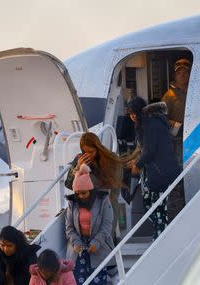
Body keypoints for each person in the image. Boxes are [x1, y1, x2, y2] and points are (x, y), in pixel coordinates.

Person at [128, 97, 180, 239]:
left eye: (134, 112)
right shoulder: (150, 123)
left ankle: (161, 237)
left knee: (156, 207)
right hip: (156, 172)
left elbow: (150, 151)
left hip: (159, 172)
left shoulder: (150, 124)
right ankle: (160, 235)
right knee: (155, 207)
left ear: (141, 111)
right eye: (130, 113)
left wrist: (137, 165)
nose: (132, 116)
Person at [65, 164, 114, 285]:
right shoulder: (72, 204)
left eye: (83, 193)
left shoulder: (103, 201)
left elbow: (107, 225)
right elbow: (69, 228)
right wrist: (76, 243)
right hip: (78, 251)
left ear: (91, 191)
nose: (80, 197)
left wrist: (97, 243)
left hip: (97, 249)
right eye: (77, 193)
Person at [65, 132, 124, 237]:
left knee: (106, 237)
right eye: (85, 152)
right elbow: (69, 184)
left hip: (108, 203)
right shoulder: (80, 159)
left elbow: (111, 185)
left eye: (91, 151)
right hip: (88, 207)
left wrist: (92, 169)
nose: (88, 155)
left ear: (98, 148)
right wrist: (77, 168)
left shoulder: (112, 159)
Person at [160, 57, 190, 219]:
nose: (183, 75)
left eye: (186, 72)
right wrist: (177, 126)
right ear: (175, 75)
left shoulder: (192, 92)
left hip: (191, 139)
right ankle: (175, 211)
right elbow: (161, 118)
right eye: (180, 73)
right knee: (177, 175)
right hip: (176, 142)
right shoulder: (169, 96)